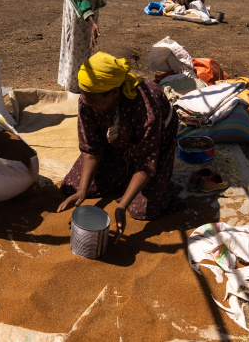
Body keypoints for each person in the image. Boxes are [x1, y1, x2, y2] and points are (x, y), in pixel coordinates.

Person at [57, 52, 179, 243]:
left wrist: (122, 205)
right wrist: (81, 190)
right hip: (118, 141)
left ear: (115, 92)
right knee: (72, 186)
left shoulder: (146, 107)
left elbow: (146, 164)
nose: (86, 102)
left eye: (93, 99)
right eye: (84, 96)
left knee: (141, 209)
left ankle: (140, 181)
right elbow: (91, 149)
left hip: (154, 143)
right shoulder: (88, 100)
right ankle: (124, 174)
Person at [57, 0, 114, 93]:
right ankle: (72, 87)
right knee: (74, 47)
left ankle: (82, 82)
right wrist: (92, 23)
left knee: (85, 46)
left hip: (90, 10)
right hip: (77, 9)